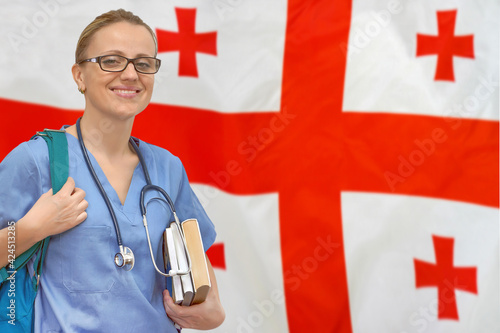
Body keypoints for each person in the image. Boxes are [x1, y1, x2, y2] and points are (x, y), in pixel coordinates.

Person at [0, 9, 225, 332]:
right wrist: (30, 230)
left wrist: (213, 309)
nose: (131, 74)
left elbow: (195, 252)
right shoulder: (38, 160)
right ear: (79, 75)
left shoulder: (167, 168)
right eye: (112, 60)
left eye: (143, 63)